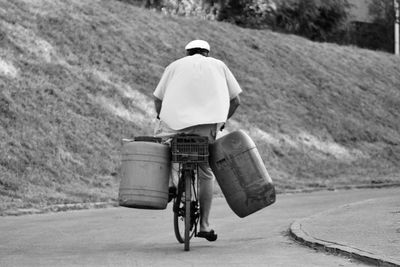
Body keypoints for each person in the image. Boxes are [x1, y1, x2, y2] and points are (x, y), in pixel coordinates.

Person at [153, 39, 242, 242]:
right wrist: (221, 123)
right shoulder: (219, 66)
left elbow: (158, 99)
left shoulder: (174, 66)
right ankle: (204, 225)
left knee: (166, 147)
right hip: (206, 130)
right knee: (205, 171)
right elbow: (236, 100)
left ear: (187, 53)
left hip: (176, 128)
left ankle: (171, 184)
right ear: (207, 53)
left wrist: (162, 118)